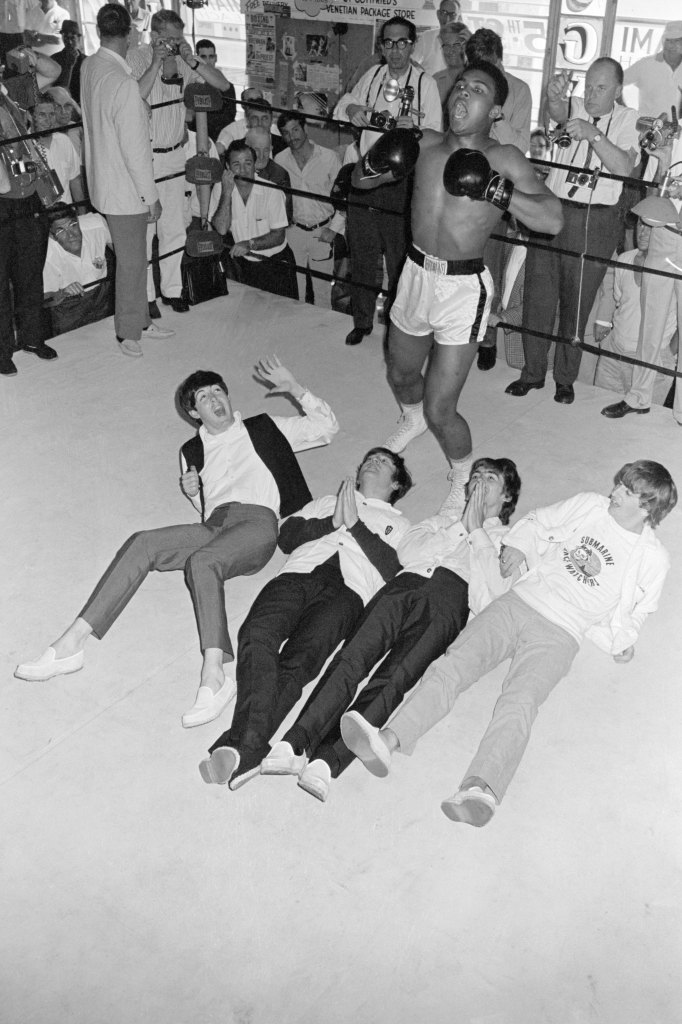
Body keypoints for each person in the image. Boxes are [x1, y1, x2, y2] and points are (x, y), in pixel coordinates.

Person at [345, 461, 677, 827]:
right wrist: (518, 545)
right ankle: (388, 741)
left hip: (562, 632)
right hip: (520, 601)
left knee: (520, 701)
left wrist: (623, 639)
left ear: (646, 507)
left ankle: (480, 788)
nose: (615, 491)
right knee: (453, 665)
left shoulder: (652, 558)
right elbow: (538, 520)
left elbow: (642, 608)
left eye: (626, 492)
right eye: (620, 485)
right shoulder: (589, 505)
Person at [15, 358, 339, 729]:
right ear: (193, 412)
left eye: (218, 390)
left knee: (203, 563)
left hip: (259, 524)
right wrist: (193, 492)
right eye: (204, 396)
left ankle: (214, 675)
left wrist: (295, 386)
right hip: (217, 525)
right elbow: (205, 513)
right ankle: (71, 644)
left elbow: (327, 427)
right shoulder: (191, 452)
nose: (215, 399)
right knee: (142, 543)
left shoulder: (266, 428)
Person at [362, 62, 561, 519]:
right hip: (414, 274)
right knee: (400, 374)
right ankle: (408, 418)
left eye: (478, 90)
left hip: (461, 288)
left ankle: (461, 472)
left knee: (441, 407)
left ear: (494, 110)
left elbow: (552, 220)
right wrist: (376, 158)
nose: (463, 95)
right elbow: (360, 181)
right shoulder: (424, 143)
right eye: (460, 86)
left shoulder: (505, 158)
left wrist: (496, 191)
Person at [263, 457, 522, 802]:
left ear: (507, 497)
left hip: (450, 602)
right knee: (350, 658)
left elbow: (494, 593)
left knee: (394, 678)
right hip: (403, 587)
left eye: (490, 478)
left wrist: (477, 532)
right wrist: (461, 526)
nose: (479, 481)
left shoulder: (509, 541)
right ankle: (295, 742)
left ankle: (328, 761)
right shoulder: (441, 520)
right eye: (475, 475)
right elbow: (408, 552)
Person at [198, 447, 412, 789]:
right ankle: (250, 745)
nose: (373, 460)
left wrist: (355, 527)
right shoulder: (327, 502)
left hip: (348, 594)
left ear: (396, 482)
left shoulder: (401, 525)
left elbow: (395, 570)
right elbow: (287, 537)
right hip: (297, 575)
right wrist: (332, 522)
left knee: (298, 664)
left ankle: (239, 746)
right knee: (255, 633)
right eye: (369, 457)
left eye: (384, 462)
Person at [507, 58, 639, 405]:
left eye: (601, 88)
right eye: (589, 86)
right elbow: (557, 109)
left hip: (596, 219)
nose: (592, 95)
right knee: (538, 296)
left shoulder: (629, 120)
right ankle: (532, 373)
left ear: (618, 90)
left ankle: (565, 379)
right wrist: (554, 94)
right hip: (554, 208)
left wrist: (594, 134)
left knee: (577, 304)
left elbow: (624, 167)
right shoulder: (576, 106)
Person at [333, 16, 442, 345]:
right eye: (388, 43)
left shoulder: (426, 84)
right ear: (381, 46)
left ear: (413, 45)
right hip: (366, 174)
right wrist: (352, 108)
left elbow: (436, 137)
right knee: (362, 253)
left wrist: (415, 130)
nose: (395, 50)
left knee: (399, 259)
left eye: (402, 43)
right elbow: (342, 106)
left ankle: (398, 327)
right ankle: (362, 320)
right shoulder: (373, 75)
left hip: (400, 181)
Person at [79, 3, 170, 358]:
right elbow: (135, 151)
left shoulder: (92, 65)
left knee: (136, 257)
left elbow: (129, 98)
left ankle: (142, 320)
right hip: (125, 189)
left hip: (103, 181)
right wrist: (152, 197)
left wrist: (155, 64)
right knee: (133, 261)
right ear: (130, 34)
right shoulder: (121, 82)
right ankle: (128, 331)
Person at [126, 8, 231, 315]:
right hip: (146, 155)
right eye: (170, 39)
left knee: (174, 226)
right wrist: (157, 59)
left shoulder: (186, 63)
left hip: (175, 153)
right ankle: (146, 298)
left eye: (179, 38)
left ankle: (172, 290)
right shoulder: (135, 57)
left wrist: (192, 58)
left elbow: (222, 86)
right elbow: (134, 97)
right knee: (146, 229)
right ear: (155, 36)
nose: (174, 44)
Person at [602, 144, 682, 425]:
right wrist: (662, 166)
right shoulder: (674, 137)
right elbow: (650, 204)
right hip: (663, 237)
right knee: (650, 322)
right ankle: (639, 397)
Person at [0, 76, 57, 375]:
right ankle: (2, 350)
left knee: (31, 275)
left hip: (30, 196)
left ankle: (33, 338)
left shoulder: (11, 92)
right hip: (3, 201)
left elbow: (48, 70)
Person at [595, 215, 677, 407]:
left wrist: (668, 353)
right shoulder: (624, 259)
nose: (642, 232)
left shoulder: (674, 268)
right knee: (597, 411)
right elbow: (619, 302)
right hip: (614, 354)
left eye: (650, 227)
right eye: (641, 224)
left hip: (651, 361)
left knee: (640, 425)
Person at [213, 139, 298, 300]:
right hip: (244, 264)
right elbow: (222, 228)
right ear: (228, 167)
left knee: (282, 317)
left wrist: (249, 244)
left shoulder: (272, 191)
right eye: (236, 164)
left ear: (255, 164)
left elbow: (278, 236)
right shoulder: (221, 187)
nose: (243, 170)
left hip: (275, 264)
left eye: (248, 163)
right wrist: (226, 193)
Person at [275, 109, 341, 306]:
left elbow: (343, 199)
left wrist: (334, 229)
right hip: (293, 231)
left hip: (323, 231)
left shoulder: (329, 158)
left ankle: (322, 333)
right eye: (286, 132)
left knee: (322, 292)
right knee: (296, 290)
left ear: (304, 129)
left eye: (295, 130)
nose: (291, 136)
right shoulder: (280, 160)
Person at [42, 203, 113, 335]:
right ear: (52, 235)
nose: (71, 235)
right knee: (72, 347)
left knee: (105, 339)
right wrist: (62, 293)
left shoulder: (96, 224)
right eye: (61, 231)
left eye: (73, 225)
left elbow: (121, 249)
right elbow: (44, 301)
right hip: (68, 305)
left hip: (101, 292)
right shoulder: (46, 256)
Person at [464, 29, 532, 155]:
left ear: (499, 60)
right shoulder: (463, 86)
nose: (482, 75)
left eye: (487, 68)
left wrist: (498, 118)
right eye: (476, 68)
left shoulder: (520, 90)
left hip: (501, 168)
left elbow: (520, 149)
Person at [30, 92, 83, 204]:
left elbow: (74, 180)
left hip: (67, 214)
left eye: (52, 114)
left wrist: (82, 214)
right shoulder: (23, 146)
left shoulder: (64, 140)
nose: (48, 120)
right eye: (42, 115)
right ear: (29, 116)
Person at [623, 21, 682, 119]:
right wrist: (624, 110)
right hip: (647, 130)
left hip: (678, 131)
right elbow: (616, 82)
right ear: (663, 41)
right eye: (669, 40)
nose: (672, 45)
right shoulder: (646, 64)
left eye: (677, 41)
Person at [245, 125, 293, 225]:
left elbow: (285, 217)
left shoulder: (279, 175)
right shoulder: (235, 170)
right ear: (246, 148)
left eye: (266, 150)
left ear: (271, 148)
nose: (261, 156)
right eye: (256, 150)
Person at [194, 38, 236, 142]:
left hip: (221, 139)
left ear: (216, 58)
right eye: (203, 57)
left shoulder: (227, 86)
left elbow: (230, 116)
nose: (208, 61)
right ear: (197, 58)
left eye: (211, 57)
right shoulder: (192, 86)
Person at [216, 94, 284, 157]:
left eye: (264, 118)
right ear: (247, 121)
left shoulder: (283, 145)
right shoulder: (236, 148)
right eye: (255, 118)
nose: (260, 123)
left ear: (271, 120)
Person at [412, 0, 462, 78]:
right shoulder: (426, 37)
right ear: (438, 14)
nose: (448, 19)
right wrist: (423, 77)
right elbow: (412, 60)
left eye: (452, 14)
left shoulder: (465, 40)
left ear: (458, 17)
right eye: (444, 13)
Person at [433, 22, 470, 111]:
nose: (451, 51)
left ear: (466, 47)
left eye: (457, 45)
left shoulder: (477, 78)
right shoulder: (435, 81)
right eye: (446, 45)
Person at [51, 18, 83, 103]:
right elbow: (57, 90)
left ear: (79, 38)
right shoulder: (54, 60)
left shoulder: (86, 61)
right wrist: (69, 66)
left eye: (72, 38)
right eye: (65, 38)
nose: (69, 42)